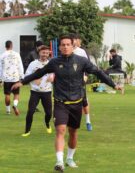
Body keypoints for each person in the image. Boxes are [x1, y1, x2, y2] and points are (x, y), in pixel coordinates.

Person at [11, 35, 122, 172]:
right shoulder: (54, 62)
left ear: (72, 46)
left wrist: (113, 84)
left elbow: (98, 72)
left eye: (68, 44)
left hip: (76, 103)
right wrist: (22, 82)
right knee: (60, 130)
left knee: (73, 133)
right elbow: (38, 74)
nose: (65, 47)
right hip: (60, 103)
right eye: (62, 44)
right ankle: (59, 162)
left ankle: (69, 158)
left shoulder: (82, 61)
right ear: (59, 47)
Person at [22, 45, 54, 137]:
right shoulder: (33, 64)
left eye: (47, 53)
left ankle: (47, 124)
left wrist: (53, 77)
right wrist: (33, 79)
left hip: (47, 92)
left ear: (49, 54)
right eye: (43, 52)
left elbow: (55, 74)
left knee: (48, 113)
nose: (45, 54)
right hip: (35, 92)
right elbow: (26, 76)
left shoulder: (51, 64)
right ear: (39, 53)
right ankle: (27, 131)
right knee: (30, 111)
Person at [72, 34, 93, 131]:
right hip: (68, 82)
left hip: (80, 81)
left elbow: (88, 66)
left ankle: (88, 121)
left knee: (84, 101)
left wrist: (86, 76)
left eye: (76, 40)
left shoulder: (81, 52)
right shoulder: (65, 51)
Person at [0, 40, 24, 115]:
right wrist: (22, 76)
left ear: (5, 46)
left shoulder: (2, 55)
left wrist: (0, 79)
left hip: (6, 77)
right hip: (15, 77)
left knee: (7, 94)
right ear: (11, 45)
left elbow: (0, 67)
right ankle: (15, 105)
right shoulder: (17, 54)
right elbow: (20, 65)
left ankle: (8, 111)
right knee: (16, 94)